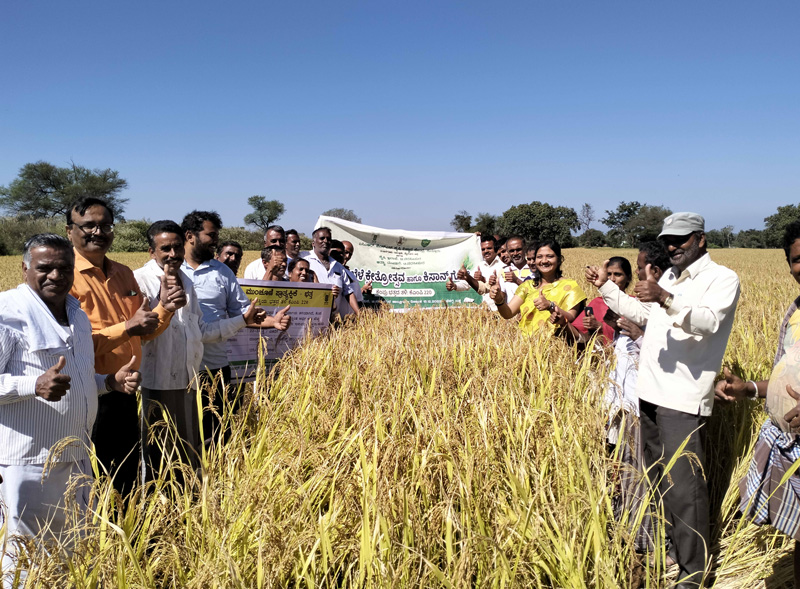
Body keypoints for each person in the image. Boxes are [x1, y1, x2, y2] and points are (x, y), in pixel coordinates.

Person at [587, 212, 740, 587]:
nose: (672, 246)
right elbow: (645, 314)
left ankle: (694, 573)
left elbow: (708, 322)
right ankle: (672, 548)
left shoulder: (721, 279)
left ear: (700, 239)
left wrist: (666, 298)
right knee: (659, 479)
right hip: (650, 394)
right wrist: (607, 288)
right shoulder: (670, 277)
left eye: (680, 239)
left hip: (682, 399)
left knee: (685, 488)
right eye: (668, 240)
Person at [1, 234, 141, 579]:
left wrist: (109, 382)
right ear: (24, 269)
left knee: (73, 556)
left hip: (77, 458)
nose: (56, 275)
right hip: (28, 464)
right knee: (25, 562)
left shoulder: (77, 314)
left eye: (64, 268)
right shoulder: (7, 313)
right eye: (44, 268)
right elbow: (39, 383)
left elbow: (76, 378)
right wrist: (32, 385)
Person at [134, 221, 289, 478]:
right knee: (157, 454)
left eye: (176, 248)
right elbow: (138, 335)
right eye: (165, 249)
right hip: (155, 381)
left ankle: (190, 497)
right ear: (152, 252)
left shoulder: (187, 282)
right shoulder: (139, 280)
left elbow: (201, 331)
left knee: (188, 452)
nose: (173, 254)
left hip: (189, 380)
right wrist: (164, 307)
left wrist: (243, 320)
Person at [67, 197, 182, 497]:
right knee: (91, 481)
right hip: (88, 393)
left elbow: (142, 333)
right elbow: (72, 347)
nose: (98, 232)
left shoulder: (123, 273)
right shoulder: (64, 277)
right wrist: (128, 327)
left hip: (126, 391)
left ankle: (128, 525)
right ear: (70, 231)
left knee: (125, 476)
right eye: (89, 226)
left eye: (105, 225)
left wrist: (165, 308)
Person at [715, 220, 800, 587]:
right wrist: (748, 388)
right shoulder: (795, 312)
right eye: (797, 259)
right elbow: (783, 378)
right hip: (791, 446)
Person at [180, 211, 267, 445]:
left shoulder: (222, 272)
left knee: (215, 432)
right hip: (178, 365)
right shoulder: (172, 269)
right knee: (181, 431)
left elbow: (243, 314)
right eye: (211, 235)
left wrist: (272, 321)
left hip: (214, 367)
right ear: (190, 236)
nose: (215, 240)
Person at [490, 240, 586, 334]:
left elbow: (571, 317)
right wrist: (499, 300)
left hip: (555, 341)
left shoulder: (570, 286)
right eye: (539, 257)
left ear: (559, 259)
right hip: (527, 342)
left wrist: (551, 306)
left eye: (550, 256)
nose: (544, 261)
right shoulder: (527, 286)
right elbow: (508, 313)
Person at [301, 227, 359, 319]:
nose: (325, 241)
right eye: (322, 238)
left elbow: (348, 292)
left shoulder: (338, 266)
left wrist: (360, 314)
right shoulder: (305, 261)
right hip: (311, 317)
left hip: (333, 319)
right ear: (313, 243)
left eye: (328, 239)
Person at [446, 235, 513, 311]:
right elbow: (469, 284)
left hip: (506, 309)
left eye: (489, 248)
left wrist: (483, 280)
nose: (486, 251)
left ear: (495, 248)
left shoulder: (503, 264)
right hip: (488, 311)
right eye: (483, 249)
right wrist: (455, 285)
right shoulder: (480, 266)